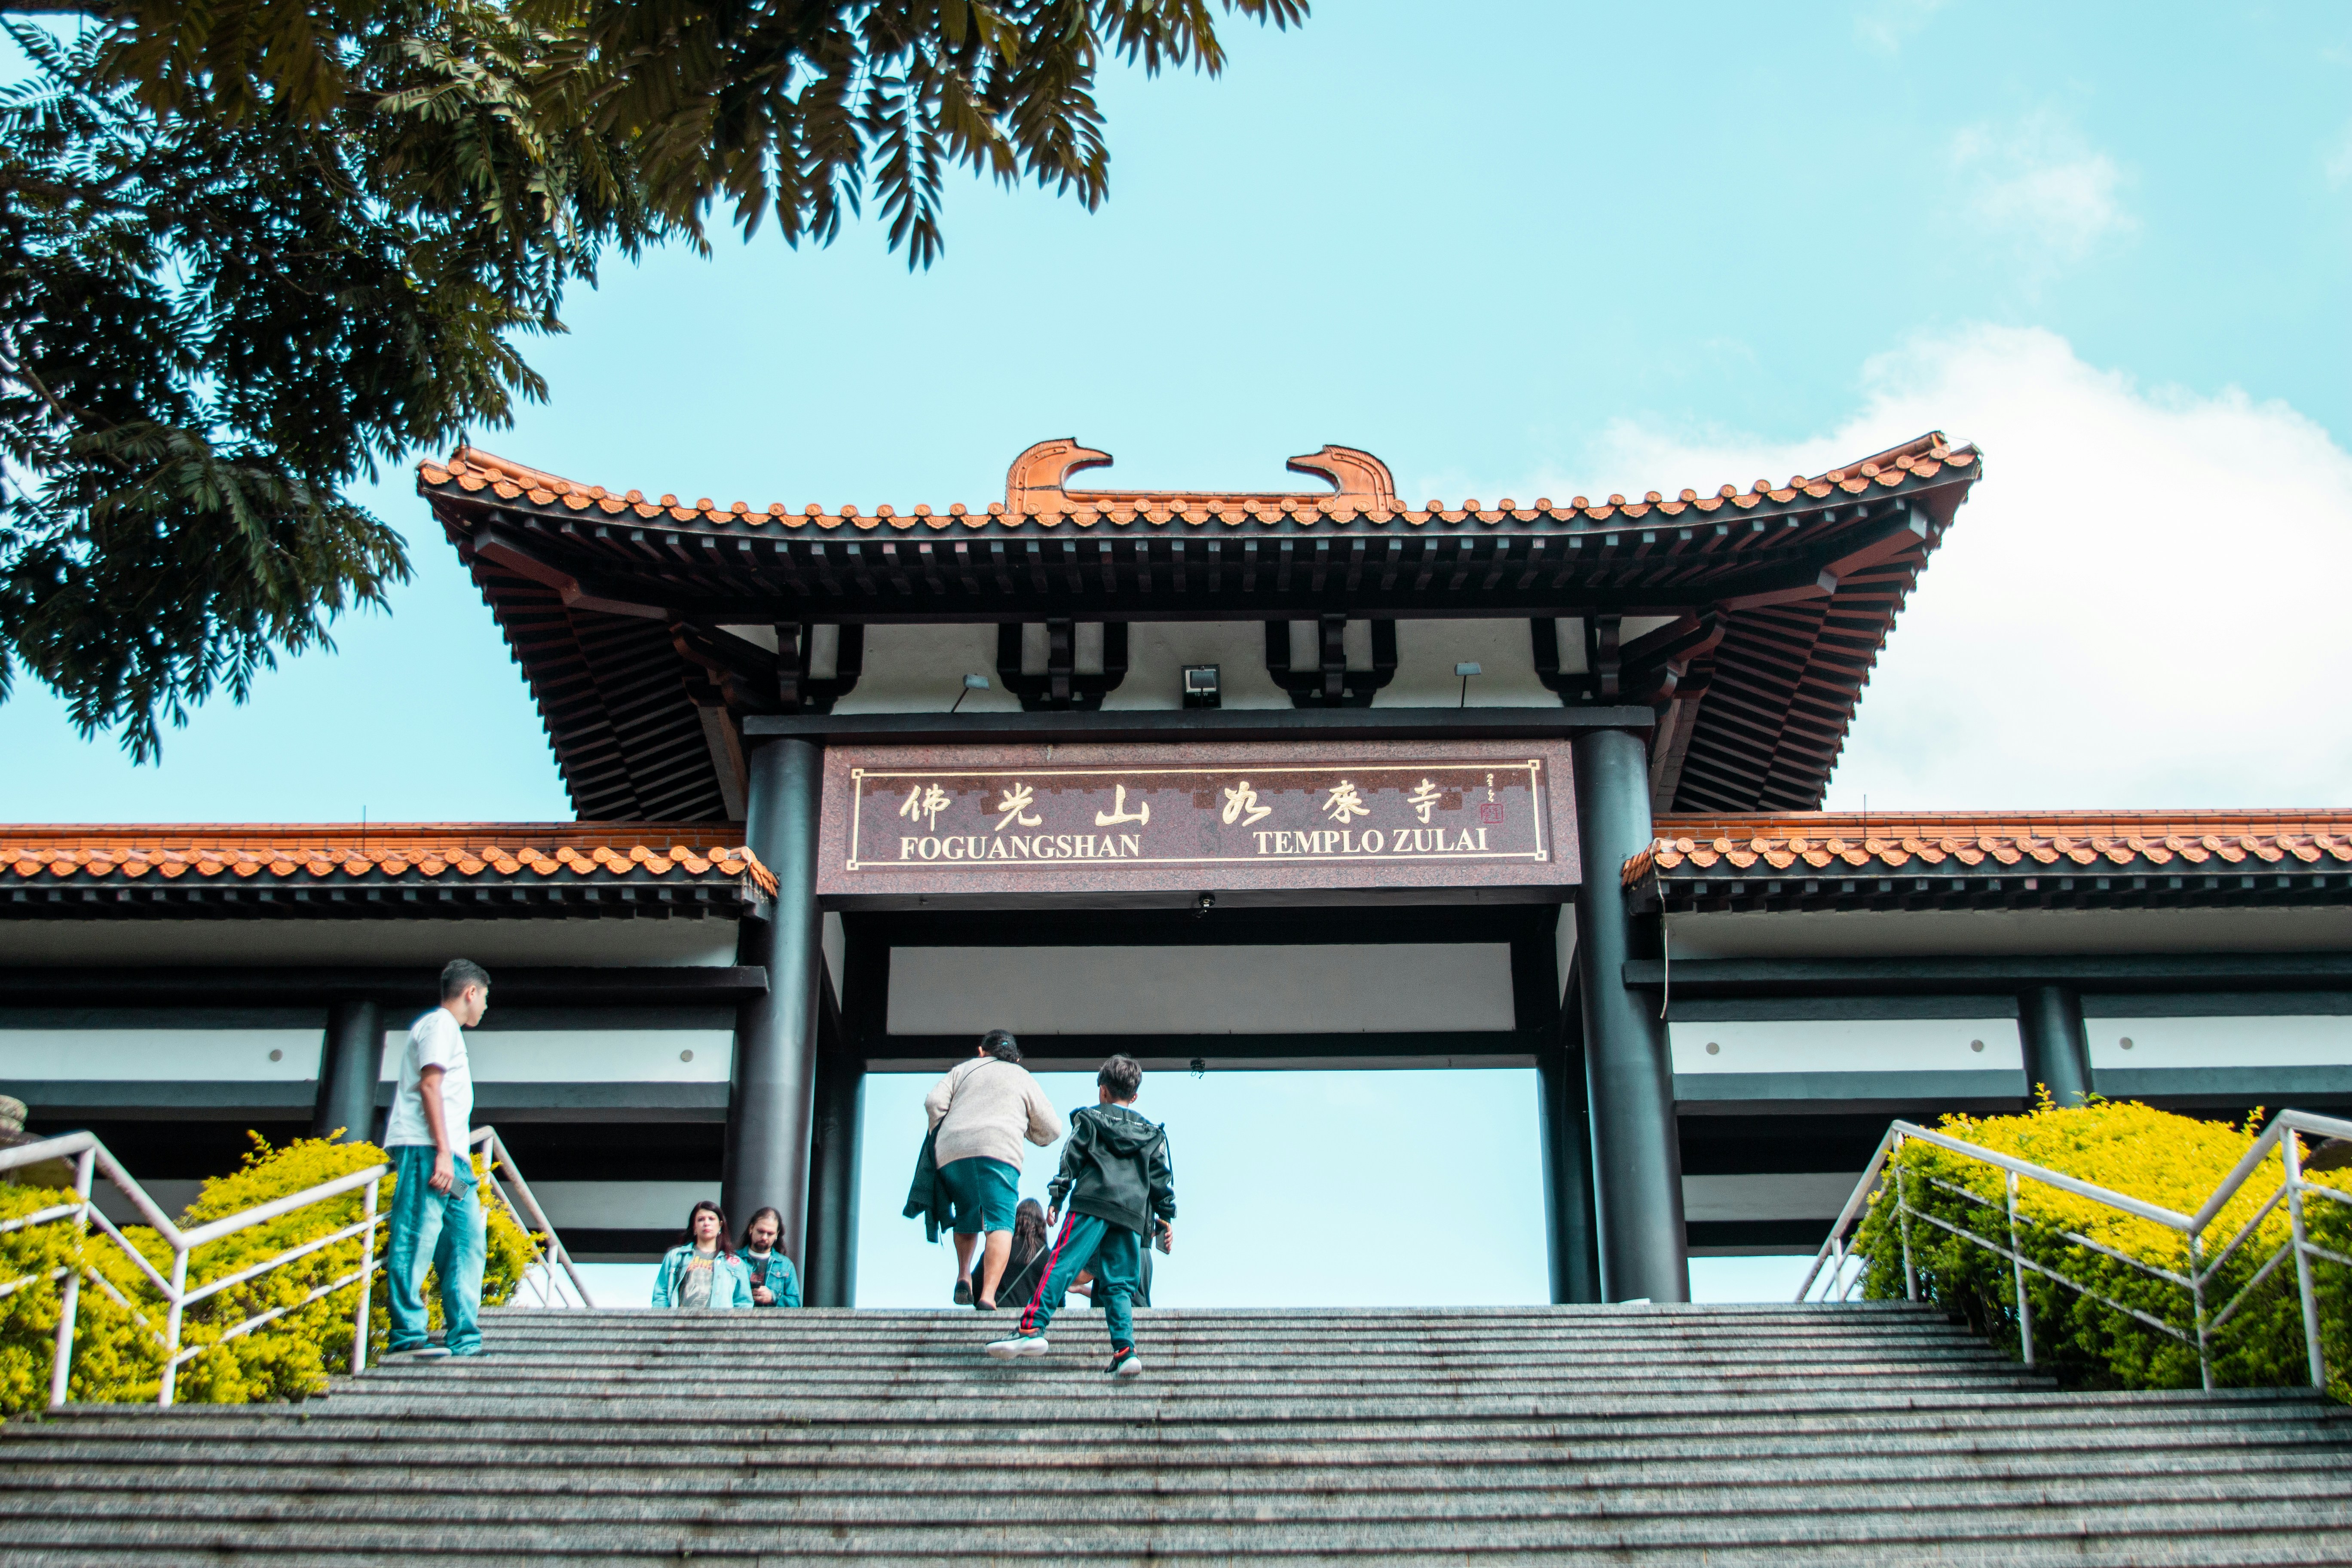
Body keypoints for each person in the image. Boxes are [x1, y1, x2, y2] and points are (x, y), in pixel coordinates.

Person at [988, 1053, 1174, 1377]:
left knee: (1062, 1264)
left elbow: (1069, 1159)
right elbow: (1162, 1179)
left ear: (1102, 1089)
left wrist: (1057, 1197)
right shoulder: (1152, 1134)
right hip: (1130, 1214)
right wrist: (1166, 1217)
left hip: (1092, 1203)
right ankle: (1125, 1351)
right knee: (1118, 1285)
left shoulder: (1088, 1120)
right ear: (1134, 1096)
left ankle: (1032, 1329)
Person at [383, 959, 491, 1360]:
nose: (485, 1007)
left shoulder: (450, 1033)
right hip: (429, 1152)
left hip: (456, 1164)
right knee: (417, 1234)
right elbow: (430, 1086)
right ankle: (408, 1335)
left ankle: (465, 1338)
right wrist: (443, 1153)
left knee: (468, 1239)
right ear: (471, 992)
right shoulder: (439, 1025)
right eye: (485, 998)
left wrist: (453, 1157)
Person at [923, 1029, 1064, 1310]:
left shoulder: (963, 1070)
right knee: (1000, 1222)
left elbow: (933, 1103)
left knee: (966, 1213)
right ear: (1016, 1057)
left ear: (981, 1051)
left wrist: (947, 1130)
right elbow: (1052, 1128)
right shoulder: (1021, 1076)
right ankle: (987, 1295)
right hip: (999, 1150)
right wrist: (1027, 1132)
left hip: (954, 1150)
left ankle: (964, 1276)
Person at [652, 1200, 754, 1309]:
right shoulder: (676, 1257)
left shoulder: (736, 1263)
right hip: (680, 1323)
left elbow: (743, 1303)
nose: (706, 1223)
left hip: (718, 1324)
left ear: (720, 1225)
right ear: (694, 1226)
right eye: (701, 1220)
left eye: (711, 1219)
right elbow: (661, 1295)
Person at [992, 1198, 1053, 1310]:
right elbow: (1056, 1297)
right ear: (1041, 1223)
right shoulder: (1048, 1257)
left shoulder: (1000, 1248)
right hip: (1031, 1320)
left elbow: (977, 1286)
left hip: (998, 1312)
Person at [741, 1207, 801, 1308]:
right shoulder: (734, 1259)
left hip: (771, 1323)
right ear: (751, 1229)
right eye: (761, 1231)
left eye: (770, 1233)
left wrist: (773, 1297)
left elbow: (796, 1304)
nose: (764, 1237)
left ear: (777, 1234)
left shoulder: (785, 1265)